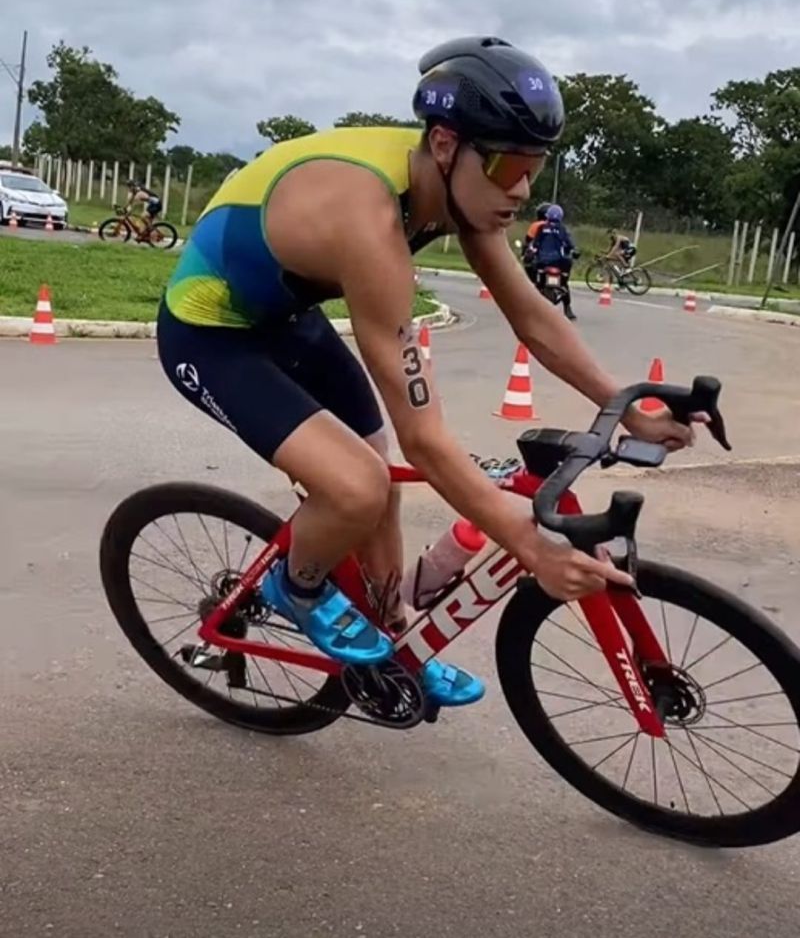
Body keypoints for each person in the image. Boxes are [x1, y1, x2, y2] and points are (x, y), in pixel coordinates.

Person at [156, 35, 699, 710]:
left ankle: (391, 640)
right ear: (445, 145)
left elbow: (534, 317)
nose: (522, 189)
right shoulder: (370, 220)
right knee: (357, 484)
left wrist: (627, 403)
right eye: (509, 166)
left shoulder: (458, 186)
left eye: (534, 167)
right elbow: (428, 437)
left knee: (376, 481)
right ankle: (294, 586)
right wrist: (529, 543)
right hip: (211, 333)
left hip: (286, 317)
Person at [524, 203, 578, 321]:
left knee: (537, 281)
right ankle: (567, 308)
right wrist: (573, 252)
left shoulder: (541, 228)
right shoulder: (562, 229)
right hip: (559, 261)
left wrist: (531, 252)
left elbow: (535, 244)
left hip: (543, 261)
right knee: (564, 284)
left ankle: (532, 303)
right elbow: (569, 245)